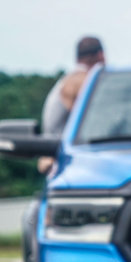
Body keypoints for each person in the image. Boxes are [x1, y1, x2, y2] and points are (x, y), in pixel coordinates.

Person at [37, 36, 105, 173]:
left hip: (62, 158)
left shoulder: (69, 80)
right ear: (100, 55)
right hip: (66, 162)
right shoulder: (81, 81)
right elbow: (95, 123)